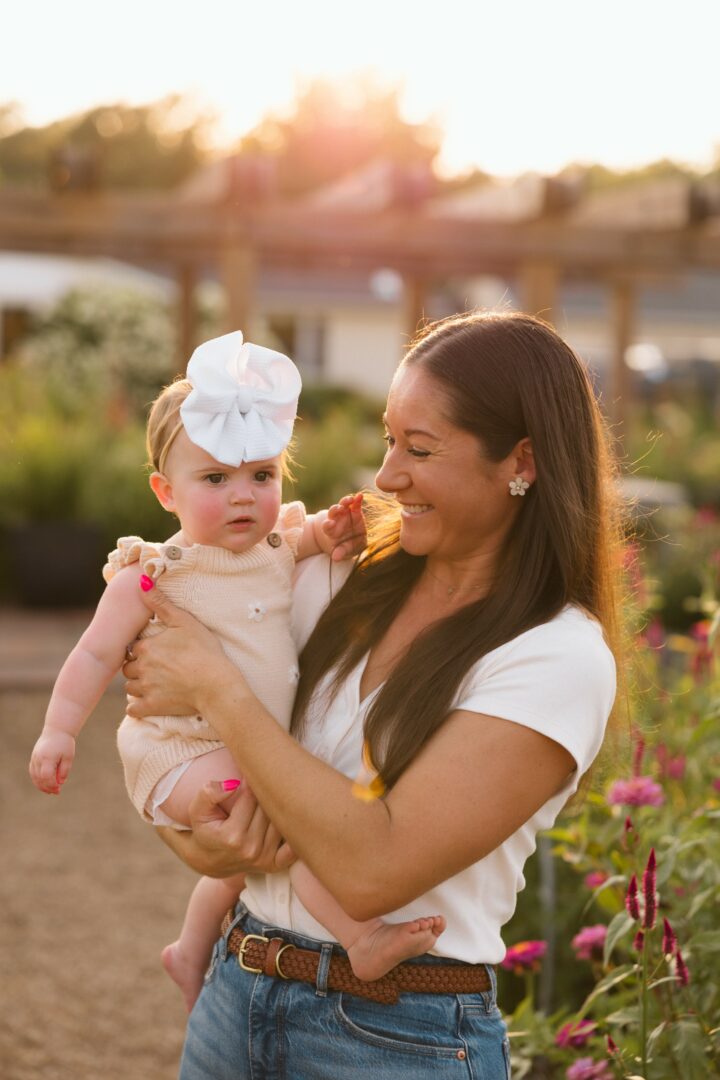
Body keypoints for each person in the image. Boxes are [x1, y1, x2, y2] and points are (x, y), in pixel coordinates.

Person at [122, 311, 623, 1079]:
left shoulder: (555, 657)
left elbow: (373, 870)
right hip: (237, 991)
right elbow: (182, 741)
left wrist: (216, 688)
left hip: (397, 1037)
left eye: (419, 449)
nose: (386, 476)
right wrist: (196, 838)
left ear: (521, 461)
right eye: (389, 440)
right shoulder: (340, 572)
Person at [28, 330, 445, 1013]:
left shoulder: (274, 545)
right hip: (181, 748)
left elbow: (308, 539)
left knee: (263, 839)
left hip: (242, 741)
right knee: (286, 819)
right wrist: (58, 731)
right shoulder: (153, 574)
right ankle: (360, 937)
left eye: (262, 475)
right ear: (166, 492)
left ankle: (190, 948)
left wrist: (334, 532)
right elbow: (94, 654)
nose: (244, 496)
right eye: (216, 479)